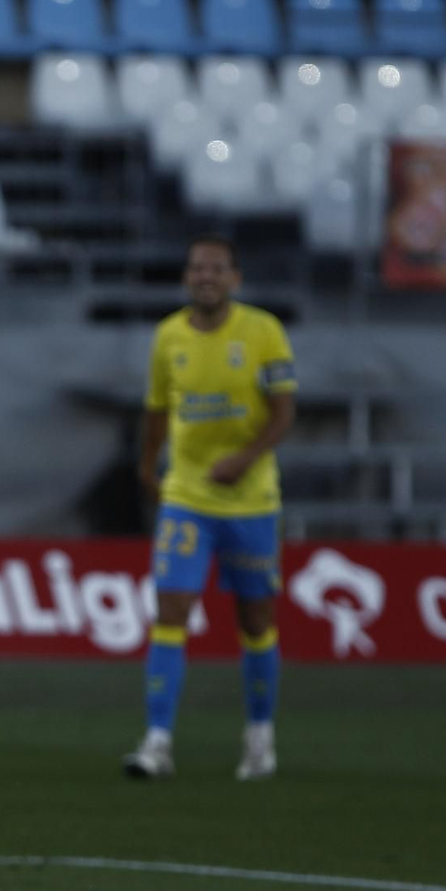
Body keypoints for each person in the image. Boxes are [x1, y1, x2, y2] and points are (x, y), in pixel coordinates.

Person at [123, 235, 296, 781]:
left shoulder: (264, 332)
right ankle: (157, 742)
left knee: (256, 619)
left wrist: (245, 458)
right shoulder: (168, 336)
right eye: (197, 267)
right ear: (186, 276)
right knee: (170, 612)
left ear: (235, 278)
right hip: (188, 497)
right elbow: (156, 411)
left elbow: (285, 411)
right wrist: (149, 466)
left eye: (217, 268)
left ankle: (260, 738)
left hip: (251, 500)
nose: (206, 276)